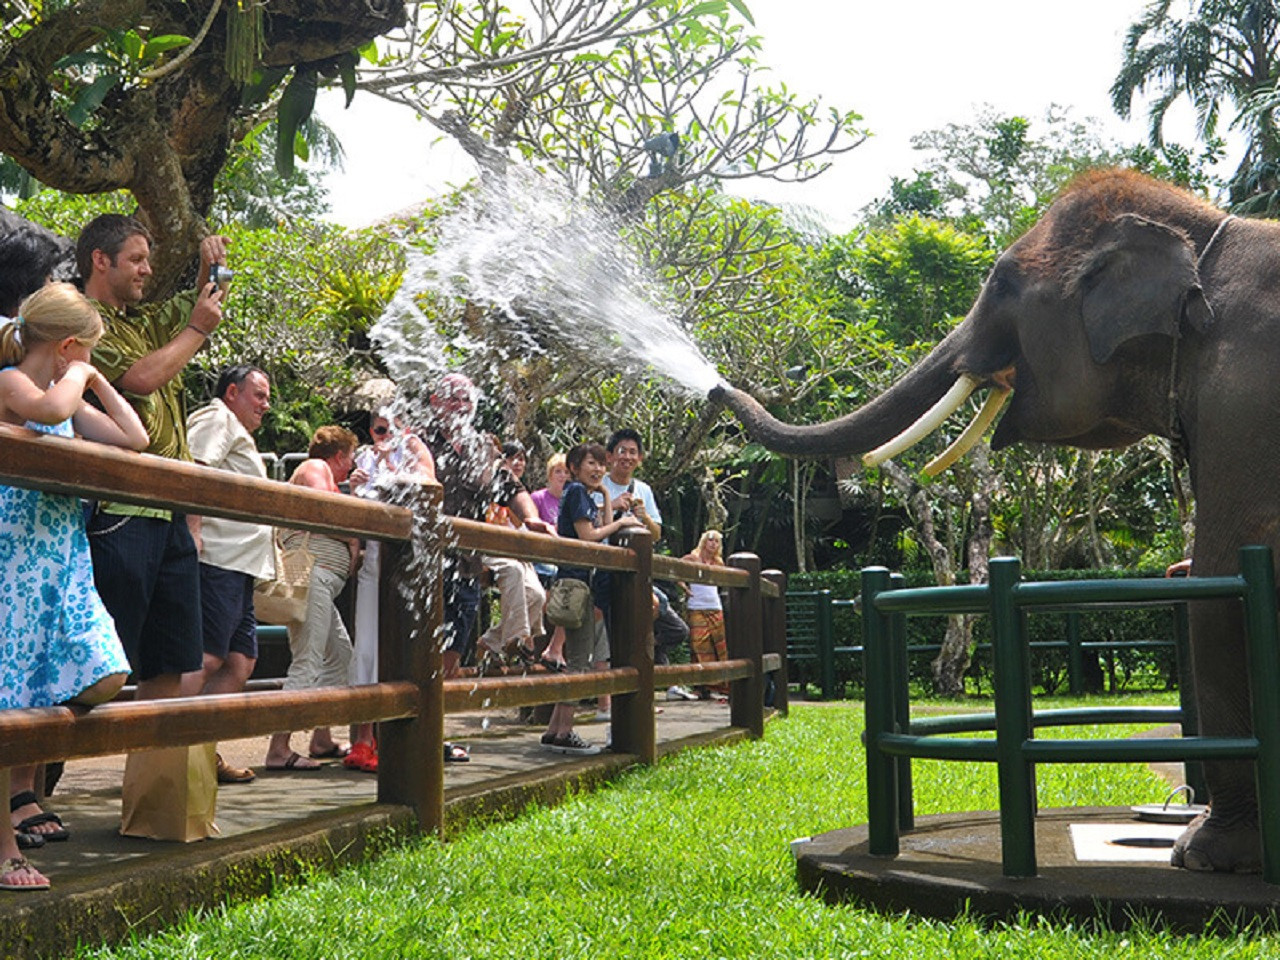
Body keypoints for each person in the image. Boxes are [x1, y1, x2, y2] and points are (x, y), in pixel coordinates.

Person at [0, 283, 149, 891]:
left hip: (61, 560)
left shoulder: (67, 390)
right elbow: (52, 411)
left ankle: (20, 800)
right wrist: (79, 374)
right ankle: (6, 843)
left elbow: (135, 438)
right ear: (64, 348)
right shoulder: (12, 383)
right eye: (84, 351)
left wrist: (97, 379)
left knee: (105, 670)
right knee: (11, 697)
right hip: (16, 561)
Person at [80, 214, 227, 702]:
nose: (147, 270)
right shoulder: (78, 321)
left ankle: (149, 781)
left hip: (169, 511)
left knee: (173, 663)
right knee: (97, 665)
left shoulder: (143, 320)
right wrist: (197, 334)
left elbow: (198, 305)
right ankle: (39, 776)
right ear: (101, 261)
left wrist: (213, 267)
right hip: (120, 512)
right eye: (137, 259)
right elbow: (141, 377)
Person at [0, 228, 71, 848]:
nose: (60, 286)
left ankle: (25, 792)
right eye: (53, 276)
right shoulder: (13, 367)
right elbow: (44, 414)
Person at [185, 365, 275, 784]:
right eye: (259, 394)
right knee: (207, 658)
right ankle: (171, 756)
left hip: (241, 567)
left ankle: (202, 753)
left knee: (241, 661)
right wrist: (194, 531)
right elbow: (196, 469)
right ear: (233, 391)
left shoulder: (238, 431)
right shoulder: (216, 416)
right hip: (217, 559)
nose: (266, 404)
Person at [346, 408, 436, 774]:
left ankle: (398, 735)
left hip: (406, 564)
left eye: (393, 428)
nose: (386, 436)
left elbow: (427, 487)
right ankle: (363, 738)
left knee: (400, 646)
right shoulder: (365, 457)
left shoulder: (414, 448)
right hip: (373, 562)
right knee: (365, 647)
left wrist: (393, 469)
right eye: (379, 430)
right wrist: (353, 489)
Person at [263, 426, 359, 771]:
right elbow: (323, 510)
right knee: (308, 660)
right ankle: (279, 748)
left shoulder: (327, 475)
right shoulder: (315, 468)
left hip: (323, 584)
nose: (351, 465)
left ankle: (321, 738)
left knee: (341, 657)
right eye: (350, 457)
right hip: (312, 579)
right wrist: (353, 538)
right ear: (338, 455)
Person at [541, 442, 644, 755]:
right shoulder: (575, 493)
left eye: (601, 463)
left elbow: (602, 534)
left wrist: (606, 498)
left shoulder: (584, 494)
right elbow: (589, 537)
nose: (598, 469)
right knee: (578, 662)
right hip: (577, 584)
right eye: (591, 463)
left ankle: (556, 731)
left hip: (580, 584)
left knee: (577, 660)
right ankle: (565, 732)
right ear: (574, 467)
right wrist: (623, 522)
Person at [477, 441, 549, 669]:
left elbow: (522, 525)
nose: (517, 463)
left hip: (513, 549)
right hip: (489, 548)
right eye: (511, 458)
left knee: (537, 595)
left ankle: (490, 642)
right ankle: (517, 639)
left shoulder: (516, 492)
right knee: (514, 571)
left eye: (521, 458)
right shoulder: (482, 482)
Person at [683, 530, 729, 700]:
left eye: (717, 541)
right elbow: (674, 570)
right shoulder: (692, 558)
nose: (713, 544)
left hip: (715, 607)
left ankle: (721, 687)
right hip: (696, 606)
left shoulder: (718, 562)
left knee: (719, 646)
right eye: (710, 540)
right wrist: (685, 588)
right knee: (698, 645)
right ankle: (700, 686)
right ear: (703, 541)